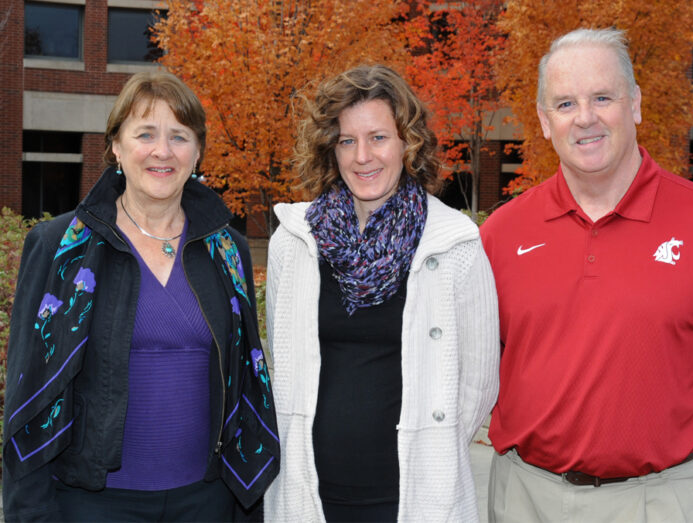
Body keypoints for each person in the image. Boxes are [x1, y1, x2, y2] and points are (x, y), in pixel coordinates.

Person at [481, 28, 693, 522]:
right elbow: (472, 369)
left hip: (658, 503)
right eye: (564, 104)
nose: (585, 118)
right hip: (522, 497)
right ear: (542, 121)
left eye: (603, 97)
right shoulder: (501, 233)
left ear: (635, 104)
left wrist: (682, 469)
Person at [2, 71, 279, 522]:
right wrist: (27, 511)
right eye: (145, 133)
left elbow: (246, 379)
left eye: (179, 136)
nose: (162, 151)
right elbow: (27, 386)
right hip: (92, 503)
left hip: (207, 500)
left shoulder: (228, 250)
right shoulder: (60, 245)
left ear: (198, 150)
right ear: (115, 145)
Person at [263, 64, 499, 522]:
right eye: (346, 141)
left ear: (408, 142)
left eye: (379, 137)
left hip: (416, 498)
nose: (362, 156)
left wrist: (431, 448)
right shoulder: (292, 242)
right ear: (330, 150)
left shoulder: (454, 244)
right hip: (309, 494)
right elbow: (285, 366)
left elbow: (478, 383)